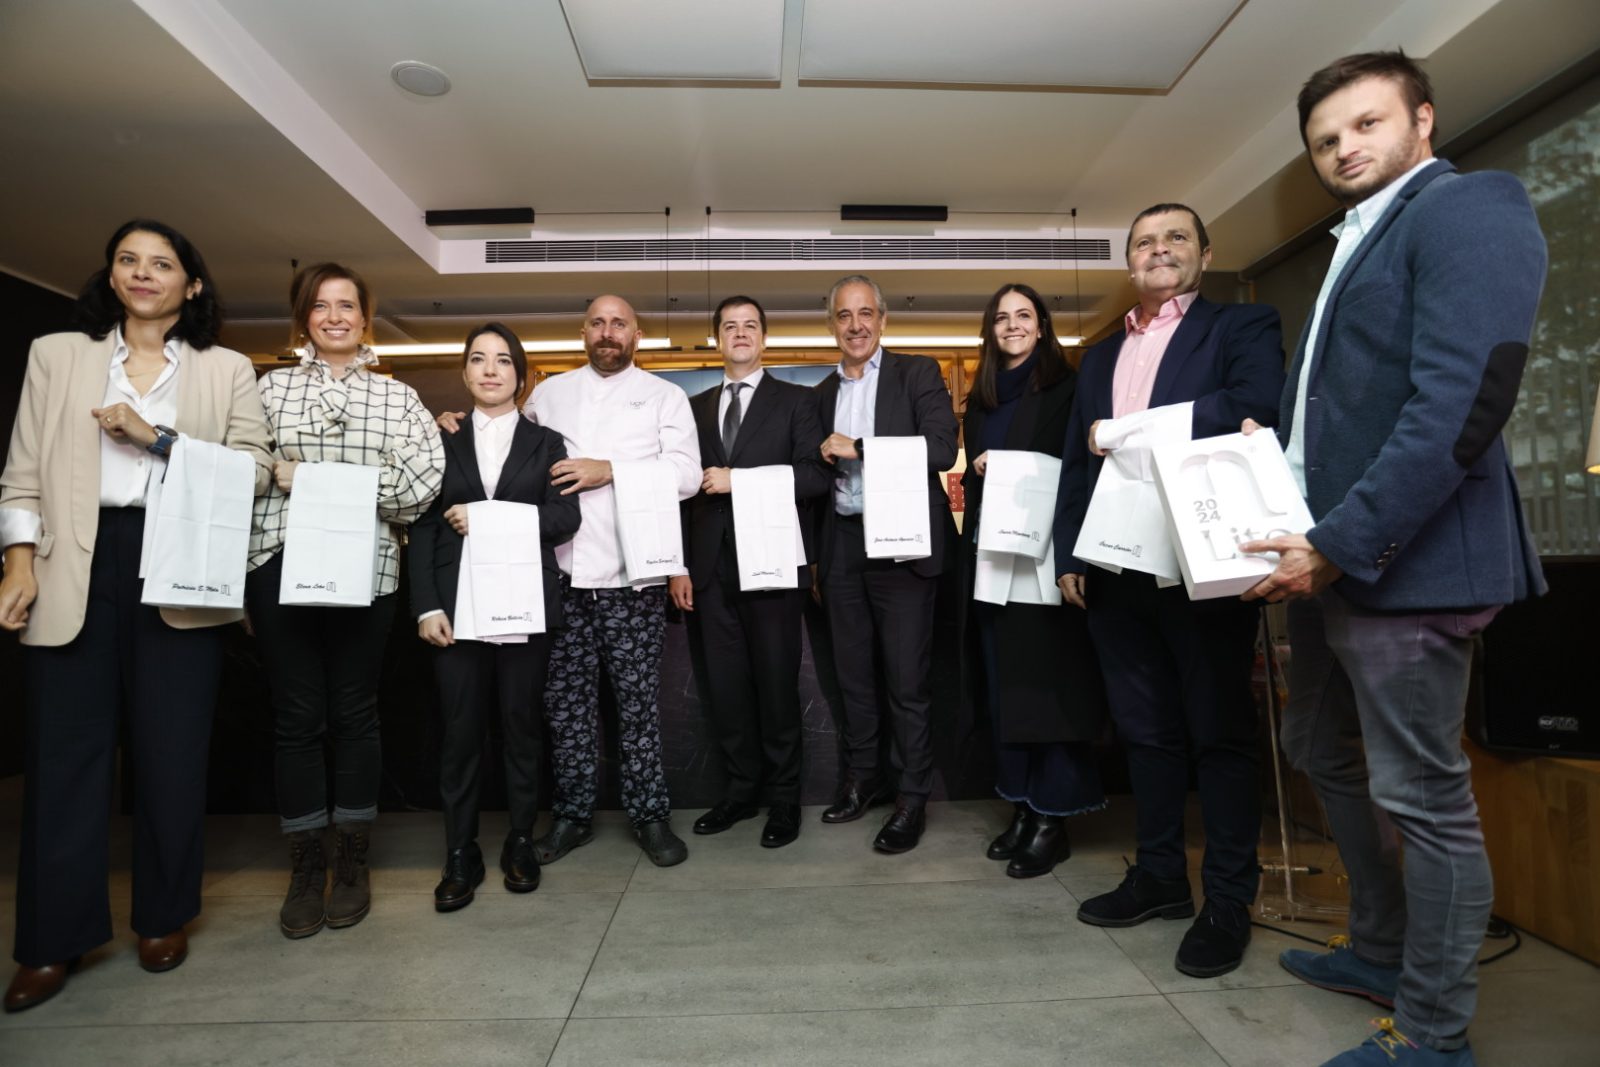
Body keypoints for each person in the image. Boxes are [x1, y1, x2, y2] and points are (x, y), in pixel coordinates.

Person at [1241, 51, 1547, 1067]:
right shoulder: (1356, 241)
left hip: (1405, 563)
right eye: (1326, 139)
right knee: (1319, 749)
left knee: (1424, 794)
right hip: (1333, 560)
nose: (1344, 148)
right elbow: (1346, 405)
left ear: (1421, 120)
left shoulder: (1467, 207)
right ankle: (1376, 948)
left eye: (1364, 124)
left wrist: (1333, 543)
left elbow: (1459, 402)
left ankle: (1431, 1028)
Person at [0, 219, 273, 1012]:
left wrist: (156, 439)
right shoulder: (58, 355)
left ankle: (162, 915)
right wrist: (18, 561)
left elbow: (254, 472)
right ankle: (54, 939)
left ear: (192, 284)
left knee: (171, 753)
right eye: (129, 260)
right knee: (62, 762)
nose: (143, 272)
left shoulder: (226, 370)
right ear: (111, 275)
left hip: (180, 569)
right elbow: (20, 475)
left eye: (162, 263)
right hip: (75, 566)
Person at [1052, 205, 1284, 978]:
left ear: (1205, 252)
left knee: (1219, 732)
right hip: (1115, 565)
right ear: (1130, 264)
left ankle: (1226, 899)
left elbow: (1251, 405)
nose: (1160, 250)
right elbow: (1074, 460)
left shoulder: (1240, 328)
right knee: (1143, 732)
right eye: (1145, 242)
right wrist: (1070, 551)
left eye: (1175, 238)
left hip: (1202, 559)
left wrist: (1132, 430)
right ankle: (1159, 876)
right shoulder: (1097, 356)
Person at [443, 295, 700, 867]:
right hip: (555, 578)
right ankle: (572, 817)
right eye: (598, 323)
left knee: (637, 706)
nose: (608, 332)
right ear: (583, 332)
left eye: (620, 323)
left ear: (637, 334)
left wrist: (610, 470)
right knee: (565, 710)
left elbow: (685, 476)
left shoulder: (665, 397)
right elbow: (507, 447)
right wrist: (459, 424)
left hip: (633, 577)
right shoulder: (551, 393)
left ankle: (651, 816)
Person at [247, 262, 444, 939]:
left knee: (356, 713)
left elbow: (417, 489)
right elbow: (246, 470)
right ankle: (306, 866)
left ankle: (353, 862)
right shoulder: (267, 390)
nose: (335, 316)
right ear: (305, 317)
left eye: (348, 305)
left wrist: (301, 475)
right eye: (321, 305)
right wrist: (360, 481)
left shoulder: (399, 398)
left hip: (370, 571)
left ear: (366, 317)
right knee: (297, 717)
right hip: (277, 566)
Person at [409, 324, 579, 911]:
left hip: (522, 604)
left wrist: (488, 517)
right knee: (459, 736)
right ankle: (460, 852)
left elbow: (564, 521)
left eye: (503, 361)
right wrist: (426, 605)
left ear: (521, 375)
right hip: (455, 609)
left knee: (522, 731)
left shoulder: (550, 443)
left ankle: (520, 842)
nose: (490, 370)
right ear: (464, 373)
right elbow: (425, 525)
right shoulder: (439, 440)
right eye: (478, 359)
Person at [669, 296, 830, 849]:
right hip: (710, 570)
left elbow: (814, 479)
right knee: (727, 690)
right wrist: (680, 566)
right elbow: (683, 494)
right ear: (717, 339)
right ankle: (741, 792)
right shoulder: (693, 407)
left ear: (764, 338)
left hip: (775, 566)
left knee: (777, 687)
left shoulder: (798, 402)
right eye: (730, 327)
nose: (740, 334)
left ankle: (784, 801)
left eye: (750, 326)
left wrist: (741, 480)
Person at [960, 283, 1107, 878]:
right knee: (1006, 690)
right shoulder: (982, 398)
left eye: (1024, 316)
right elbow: (975, 481)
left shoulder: (1070, 388)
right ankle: (1021, 804)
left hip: (1047, 560)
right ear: (991, 330)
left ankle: (1055, 815)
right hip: (996, 561)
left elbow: (1079, 470)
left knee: (1050, 690)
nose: (1013, 326)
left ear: (1042, 326)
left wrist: (1008, 469)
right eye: (1002, 318)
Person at [814, 274, 959, 854]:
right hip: (845, 544)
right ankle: (864, 779)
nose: (856, 325)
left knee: (906, 682)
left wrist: (861, 448)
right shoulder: (821, 393)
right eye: (845, 316)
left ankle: (911, 797)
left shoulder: (917, 373)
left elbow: (943, 449)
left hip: (902, 546)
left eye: (865, 313)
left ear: (883, 319)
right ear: (833, 325)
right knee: (854, 680)